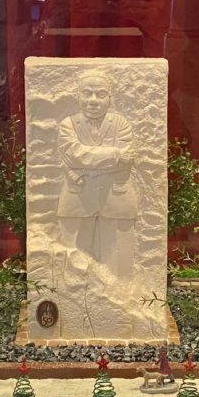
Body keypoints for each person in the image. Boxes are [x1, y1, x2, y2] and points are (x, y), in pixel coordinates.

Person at [56, 71, 137, 277]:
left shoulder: (121, 124)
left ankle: (120, 293)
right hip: (78, 197)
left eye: (100, 94)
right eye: (87, 93)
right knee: (74, 264)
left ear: (110, 98)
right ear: (78, 96)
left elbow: (127, 159)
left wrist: (86, 164)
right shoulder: (68, 124)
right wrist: (114, 155)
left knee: (119, 263)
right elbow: (74, 155)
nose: (93, 100)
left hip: (116, 198)